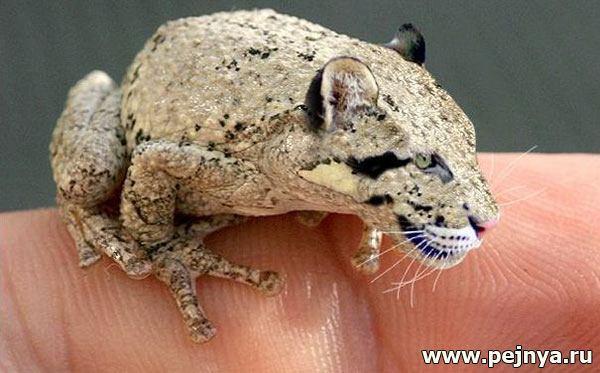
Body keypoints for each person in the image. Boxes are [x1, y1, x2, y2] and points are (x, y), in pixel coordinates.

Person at [1, 154, 598, 371]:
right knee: (89, 178)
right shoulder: (248, 170)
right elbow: (155, 162)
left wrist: (371, 204)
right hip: (173, 102)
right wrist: (157, 240)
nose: (488, 214)